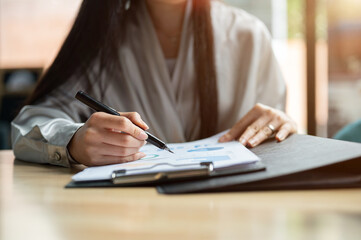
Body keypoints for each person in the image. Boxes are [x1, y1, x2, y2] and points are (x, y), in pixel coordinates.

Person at [11, 0, 297, 168]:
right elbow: (30, 125)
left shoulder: (248, 36)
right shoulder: (99, 40)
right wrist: (74, 141)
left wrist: (281, 126)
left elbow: (277, 148)